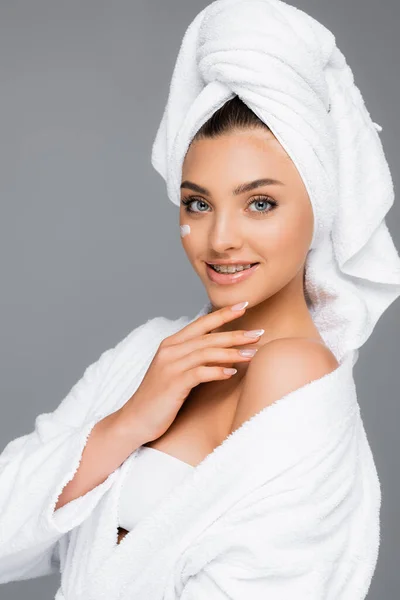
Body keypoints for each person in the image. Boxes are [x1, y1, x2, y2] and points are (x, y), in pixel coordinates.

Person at [1, 1, 400, 598]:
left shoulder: (296, 373)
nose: (220, 239)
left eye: (260, 203)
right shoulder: (151, 355)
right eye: (198, 203)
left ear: (320, 206)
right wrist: (127, 422)